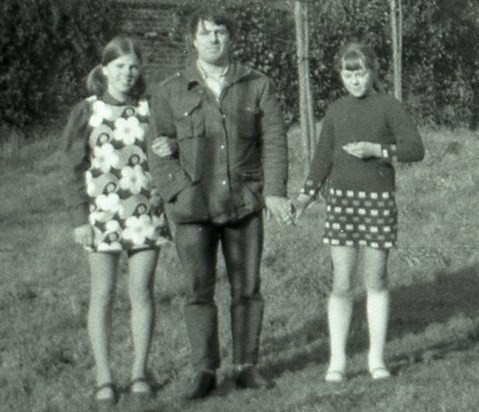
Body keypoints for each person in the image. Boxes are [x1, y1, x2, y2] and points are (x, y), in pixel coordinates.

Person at [147, 7, 293, 399]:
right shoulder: (170, 90)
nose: (214, 39)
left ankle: (246, 365)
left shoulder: (257, 84)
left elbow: (275, 141)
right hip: (193, 211)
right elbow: (157, 149)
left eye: (221, 32)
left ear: (231, 38)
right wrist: (177, 191)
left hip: (243, 204)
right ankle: (205, 370)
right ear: (192, 39)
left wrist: (274, 191)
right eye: (206, 32)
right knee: (198, 291)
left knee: (247, 289)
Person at [295, 42, 425, 382]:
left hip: (378, 202)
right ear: (341, 75)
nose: (355, 81)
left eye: (361, 73)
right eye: (348, 74)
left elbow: (415, 149)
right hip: (340, 202)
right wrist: (304, 198)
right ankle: (337, 361)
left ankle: (376, 360)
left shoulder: (389, 106)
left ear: (373, 73)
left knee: (376, 278)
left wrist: (377, 150)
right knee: (341, 281)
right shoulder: (336, 110)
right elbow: (322, 158)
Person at [62, 36, 170, 407]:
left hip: (145, 215)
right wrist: (79, 219)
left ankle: (140, 370)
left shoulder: (150, 109)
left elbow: (164, 153)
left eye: (133, 67)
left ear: (141, 72)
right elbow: (72, 169)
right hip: (101, 216)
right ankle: (104, 375)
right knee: (103, 295)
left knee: (141, 292)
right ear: (104, 69)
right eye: (119, 66)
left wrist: (167, 149)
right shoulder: (87, 111)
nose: (127, 73)